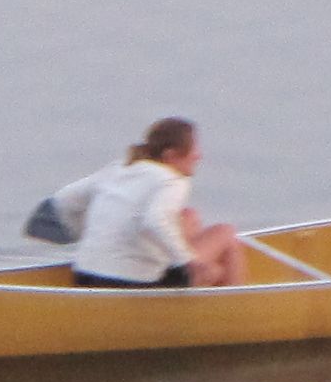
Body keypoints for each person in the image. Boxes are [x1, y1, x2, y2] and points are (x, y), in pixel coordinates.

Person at [51, 117, 249, 288]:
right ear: (170, 155)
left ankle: (209, 292)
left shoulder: (120, 168)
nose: (199, 155)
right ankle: (236, 310)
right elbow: (154, 220)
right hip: (131, 282)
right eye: (193, 150)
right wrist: (189, 261)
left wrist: (89, 235)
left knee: (189, 217)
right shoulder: (172, 180)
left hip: (84, 276)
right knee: (226, 234)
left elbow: (64, 199)